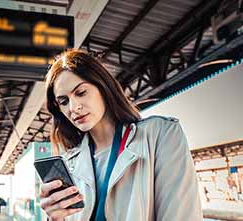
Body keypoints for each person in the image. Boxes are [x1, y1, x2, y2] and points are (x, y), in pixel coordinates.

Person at [40, 49, 203, 221]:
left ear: (103, 87)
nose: (73, 107)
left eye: (81, 93)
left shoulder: (160, 135)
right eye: (63, 102)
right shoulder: (69, 164)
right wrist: (55, 218)